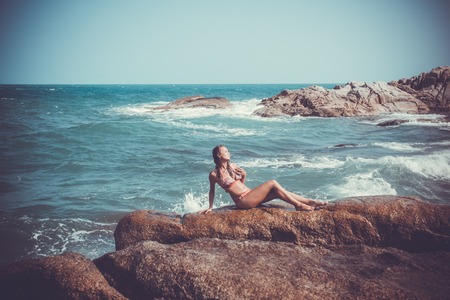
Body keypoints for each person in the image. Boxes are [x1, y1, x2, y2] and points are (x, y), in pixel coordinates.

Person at [200, 145, 326, 214]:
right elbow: (212, 191)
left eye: (228, 151)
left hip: (249, 195)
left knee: (278, 192)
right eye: (225, 151)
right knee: (272, 183)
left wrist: (244, 175)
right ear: (218, 155)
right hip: (242, 201)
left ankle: (310, 201)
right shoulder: (214, 174)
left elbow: (241, 185)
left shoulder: (233, 166)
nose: (229, 153)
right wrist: (210, 207)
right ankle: (298, 205)